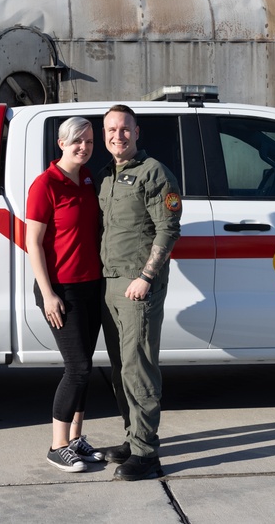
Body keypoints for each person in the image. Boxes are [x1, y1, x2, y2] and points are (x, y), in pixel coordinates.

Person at [97, 104, 182, 481]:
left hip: (137, 286)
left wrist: (146, 277)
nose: (118, 135)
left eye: (125, 129)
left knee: (139, 368)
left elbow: (169, 229)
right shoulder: (105, 177)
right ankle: (133, 439)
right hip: (110, 284)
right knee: (120, 369)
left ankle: (147, 454)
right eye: (111, 130)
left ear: (137, 131)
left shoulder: (154, 173)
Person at [26, 117, 105, 473]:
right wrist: (48, 295)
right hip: (61, 289)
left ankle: (75, 438)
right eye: (76, 141)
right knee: (77, 367)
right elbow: (33, 243)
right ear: (61, 143)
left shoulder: (87, 180)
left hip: (91, 285)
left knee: (86, 369)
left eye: (88, 141)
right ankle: (57, 445)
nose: (83, 147)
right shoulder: (46, 185)